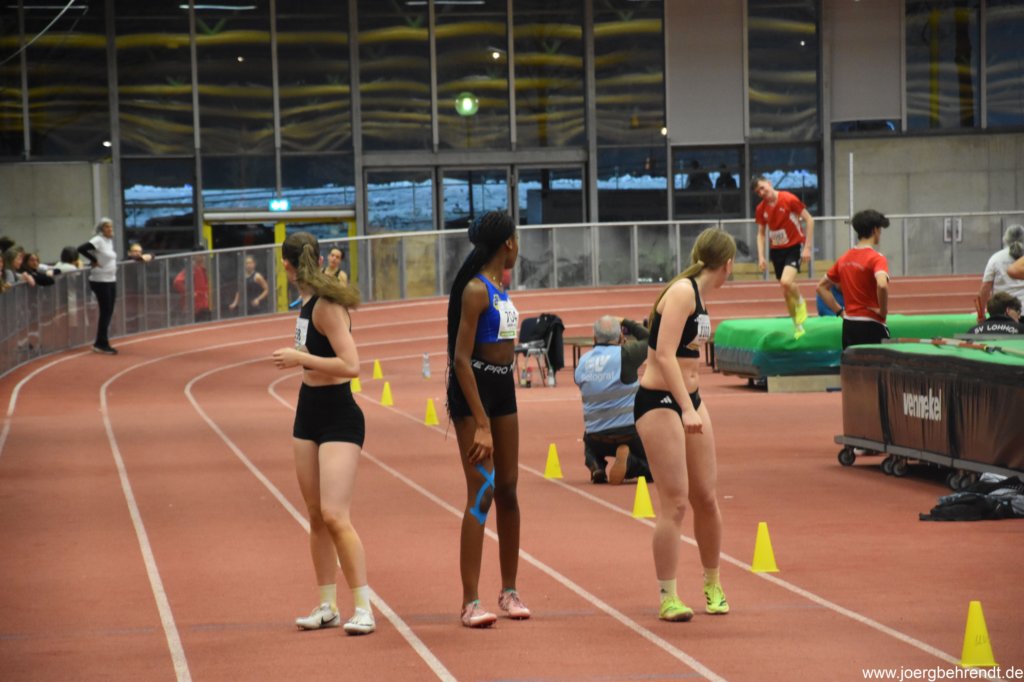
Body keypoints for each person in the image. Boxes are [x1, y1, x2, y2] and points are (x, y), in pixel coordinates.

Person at [271, 231, 375, 637]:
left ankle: (364, 607)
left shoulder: (327, 306)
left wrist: (301, 358)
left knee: (334, 515)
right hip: (307, 413)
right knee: (315, 515)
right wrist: (304, 359)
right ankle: (327, 605)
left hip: (338, 416)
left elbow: (351, 365)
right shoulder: (306, 303)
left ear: (286, 265)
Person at [634, 227, 735, 623]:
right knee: (675, 502)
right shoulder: (682, 292)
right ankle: (668, 596)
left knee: (706, 497)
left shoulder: (700, 297)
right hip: (660, 401)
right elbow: (662, 354)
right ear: (728, 264)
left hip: (689, 399)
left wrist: (692, 404)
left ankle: (713, 584)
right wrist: (685, 408)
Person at [446, 210, 529, 628]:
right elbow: (461, 359)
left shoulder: (501, 287)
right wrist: (480, 422)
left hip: (503, 388)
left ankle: (509, 591)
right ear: (508, 243)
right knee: (483, 491)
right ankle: (470, 601)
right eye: (518, 238)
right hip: (474, 391)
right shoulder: (476, 290)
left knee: (508, 490)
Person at [574, 315, 653, 485]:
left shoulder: (582, 362)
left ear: (594, 338)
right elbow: (651, 340)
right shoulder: (626, 354)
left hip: (596, 437)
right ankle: (630, 463)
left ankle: (596, 465)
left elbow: (580, 381)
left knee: (588, 440)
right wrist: (626, 321)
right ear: (620, 337)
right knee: (654, 469)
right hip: (629, 434)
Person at [817, 209, 891, 350]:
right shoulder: (877, 258)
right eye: (880, 230)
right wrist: (883, 311)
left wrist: (840, 312)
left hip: (849, 325)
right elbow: (882, 285)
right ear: (875, 230)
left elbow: (821, 287)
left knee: (852, 363)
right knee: (877, 363)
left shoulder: (843, 259)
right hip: (872, 324)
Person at [753, 175, 815, 339]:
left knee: (786, 282)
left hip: (794, 246)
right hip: (777, 250)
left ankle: (800, 301)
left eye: (762, 188)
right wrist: (761, 256)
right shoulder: (761, 209)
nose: (761, 193)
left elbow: (810, 220)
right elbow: (761, 234)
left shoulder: (788, 199)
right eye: (758, 192)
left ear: (769, 183)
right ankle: (798, 326)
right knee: (786, 290)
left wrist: (807, 248)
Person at [77, 218, 119, 354]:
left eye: (111, 227)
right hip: (100, 280)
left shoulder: (109, 241)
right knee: (106, 311)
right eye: (107, 227)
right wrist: (93, 260)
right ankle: (101, 343)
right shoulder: (98, 240)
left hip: (111, 279)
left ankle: (101, 341)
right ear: (101, 229)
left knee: (109, 311)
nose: (110, 229)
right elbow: (81, 248)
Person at [978, 225, 1024, 312]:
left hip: (1002, 310)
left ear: (1005, 239)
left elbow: (985, 287)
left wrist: (981, 312)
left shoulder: (995, 258)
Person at [173, 253, 212, 322]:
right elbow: (177, 282)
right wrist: (189, 293)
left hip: (204, 304)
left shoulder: (203, 269)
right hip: (195, 306)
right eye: (201, 255)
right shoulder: (191, 270)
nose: (204, 258)